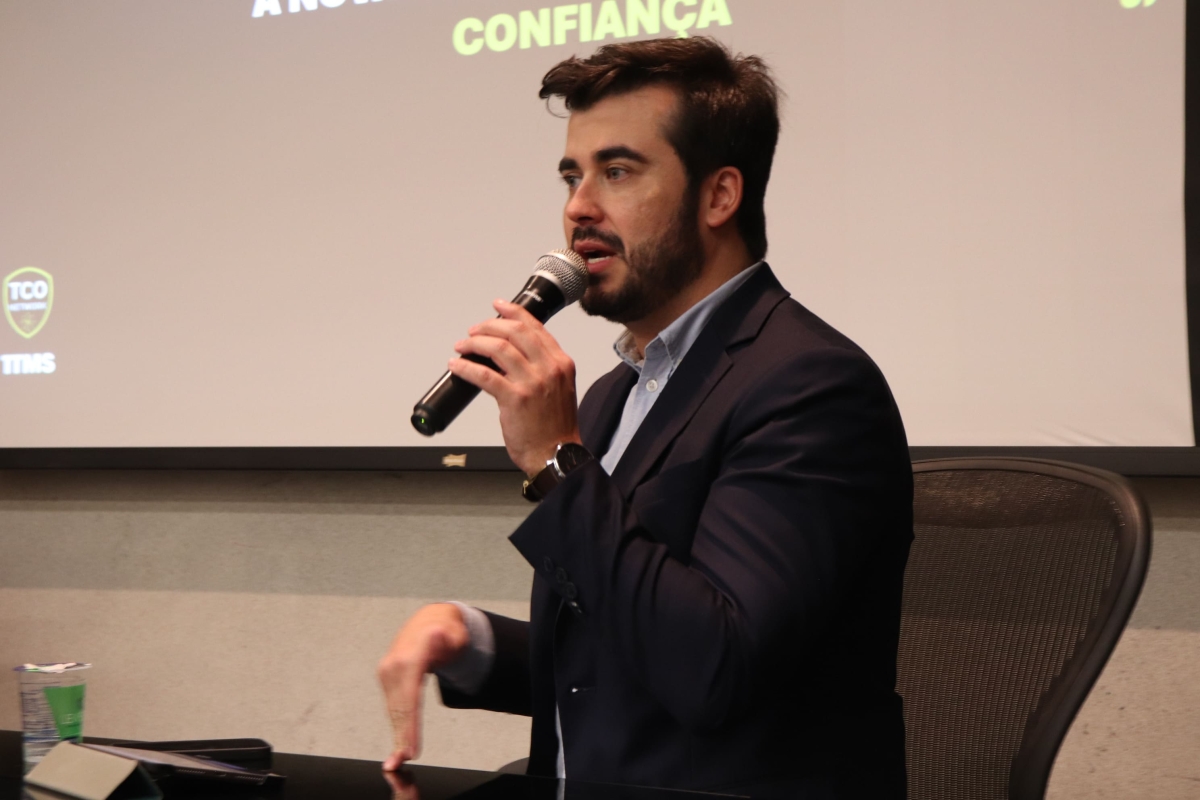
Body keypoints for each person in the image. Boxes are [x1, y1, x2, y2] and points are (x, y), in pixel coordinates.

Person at [378, 37, 913, 799]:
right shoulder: (612, 394)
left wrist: (558, 463)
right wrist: (475, 641)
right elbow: (628, 655)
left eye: (618, 171)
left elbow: (714, 670)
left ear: (719, 196)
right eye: (572, 176)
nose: (578, 208)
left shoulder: (812, 388)